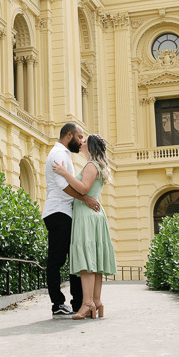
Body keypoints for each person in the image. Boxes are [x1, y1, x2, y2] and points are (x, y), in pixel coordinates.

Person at [52, 133, 116, 320]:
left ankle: (87, 303)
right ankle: (96, 302)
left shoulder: (91, 165)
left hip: (86, 215)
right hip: (95, 215)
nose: (81, 142)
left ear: (91, 146)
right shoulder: (98, 165)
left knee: (87, 261)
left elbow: (83, 188)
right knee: (94, 260)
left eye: (85, 141)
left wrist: (65, 174)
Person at [43, 123, 101, 317]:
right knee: (56, 260)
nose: (81, 140)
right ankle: (58, 304)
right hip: (58, 212)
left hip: (65, 212)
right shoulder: (58, 154)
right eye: (79, 136)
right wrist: (85, 199)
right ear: (69, 135)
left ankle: (78, 303)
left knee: (75, 256)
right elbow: (62, 185)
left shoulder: (65, 154)